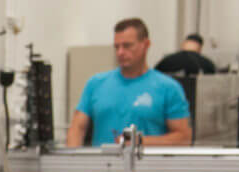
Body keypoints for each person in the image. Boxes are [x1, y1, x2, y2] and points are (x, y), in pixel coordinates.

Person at [67, 18, 192, 147]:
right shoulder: (96, 84)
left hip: (147, 165)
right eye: (117, 47)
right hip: (104, 165)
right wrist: (72, 160)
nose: (120, 52)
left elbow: (183, 138)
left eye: (127, 46)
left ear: (146, 45)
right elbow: (77, 128)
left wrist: (141, 142)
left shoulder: (168, 88)